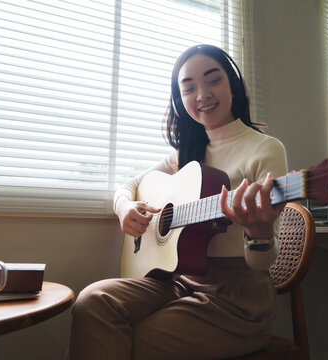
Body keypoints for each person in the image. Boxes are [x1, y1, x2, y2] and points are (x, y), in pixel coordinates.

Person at [66, 44, 288, 360]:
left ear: (232, 84)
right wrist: (124, 207)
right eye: (189, 87)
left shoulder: (265, 149)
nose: (202, 94)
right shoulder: (186, 156)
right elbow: (131, 184)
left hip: (238, 299)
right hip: (180, 279)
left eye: (213, 80)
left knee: (134, 338)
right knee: (93, 301)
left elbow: (262, 265)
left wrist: (261, 230)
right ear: (180, 100)